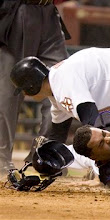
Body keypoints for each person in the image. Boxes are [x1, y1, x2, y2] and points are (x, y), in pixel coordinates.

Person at [10, 47, 110, 146]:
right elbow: (57, 134)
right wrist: (48, 161)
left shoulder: (62, 81)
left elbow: (93, 121)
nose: (24, 94)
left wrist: (99, 164)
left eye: (24, 89)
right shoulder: (58, 87)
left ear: (31, 86)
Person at [0, 0, 70, 175]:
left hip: (48, 12)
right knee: (9, 92)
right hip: (17, 11)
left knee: (64, 84)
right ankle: (0, 159)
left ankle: (45, 158)